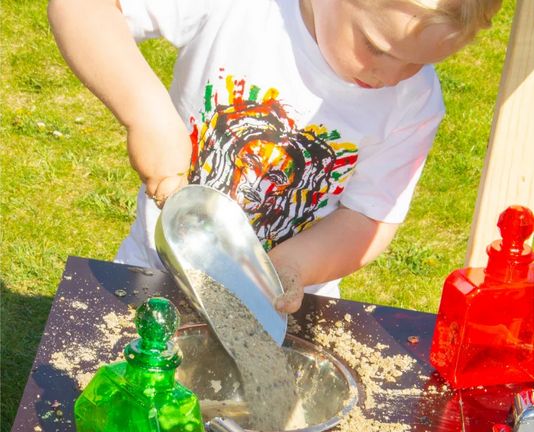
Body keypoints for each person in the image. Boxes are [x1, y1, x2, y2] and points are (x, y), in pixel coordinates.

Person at [48, 0, 502, 313]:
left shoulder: (413, 103)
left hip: (281, 310)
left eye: (419, 62)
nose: (392, 75)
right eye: (377, 48)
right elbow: (82, 10)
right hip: (154, 276)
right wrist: (145, 114)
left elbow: (368, 219)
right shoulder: (247, 10)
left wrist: (290, 267)